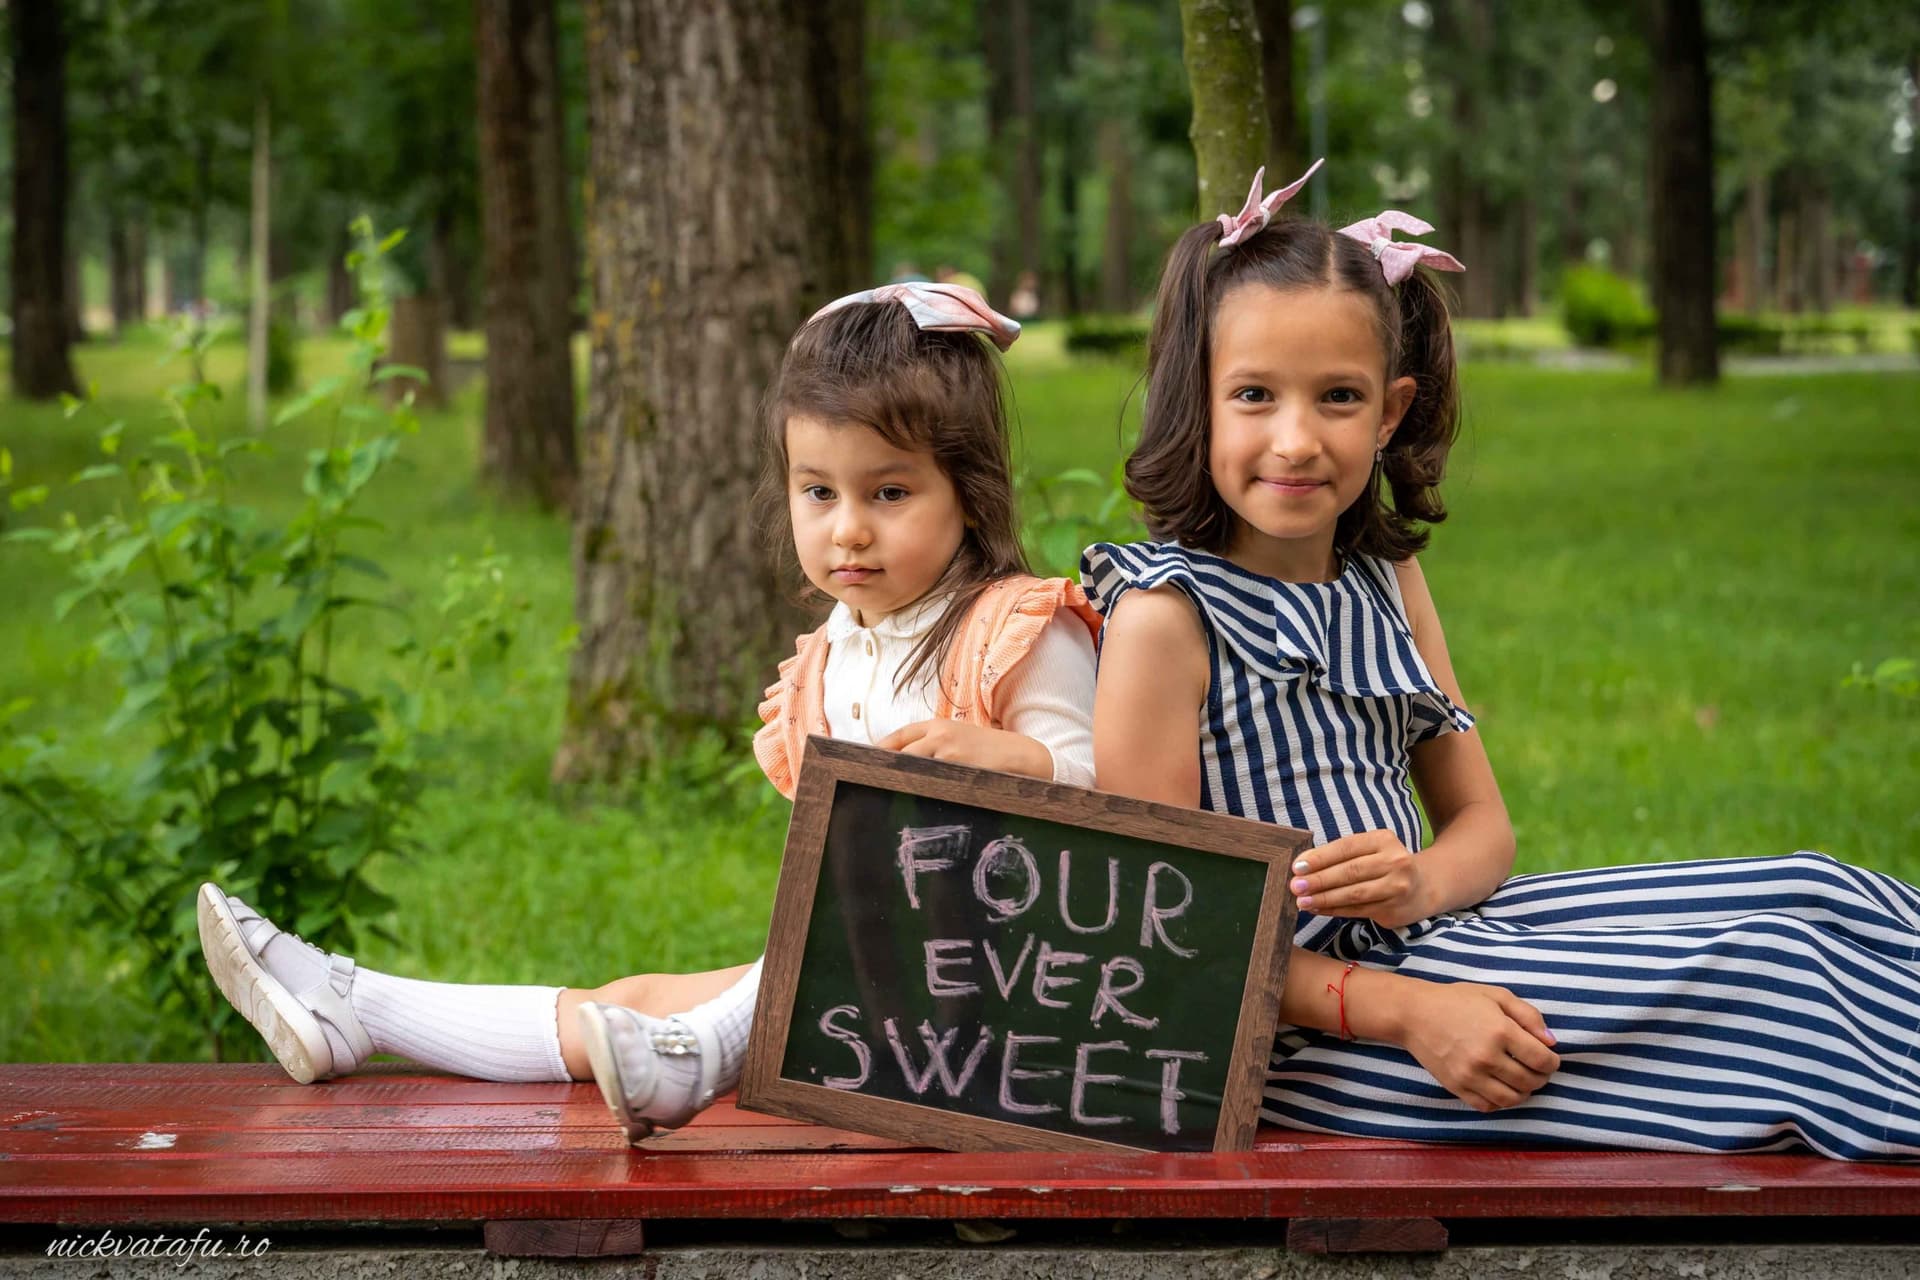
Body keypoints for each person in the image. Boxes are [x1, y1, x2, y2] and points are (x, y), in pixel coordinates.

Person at [1083, 162, 1920, 1161]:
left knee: (1819, 894)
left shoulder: (1383, 578)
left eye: (1338, 396)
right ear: (1200, 399)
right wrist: (1410, 1012)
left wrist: (1417, 888)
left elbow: (1481, 825)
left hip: (1434, 933)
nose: (1296, 439)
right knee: (1778, 976)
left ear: (1388, 413)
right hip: (1316, 1029)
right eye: (1255, 394)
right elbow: (1173, 939)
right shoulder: (1164, 619)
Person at [197, 282, 1102, 1143]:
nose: (848, 529)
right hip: (876, 1007)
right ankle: (358, 1005)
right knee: (631, 998)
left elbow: (1120, 815)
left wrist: (1011, 762)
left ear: (969, 490)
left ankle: (702, 1055)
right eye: (819, 491)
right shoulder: (832, 661)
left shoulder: (1013, 630)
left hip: (1015, 1015)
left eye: (890, 493)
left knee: (767, 976)